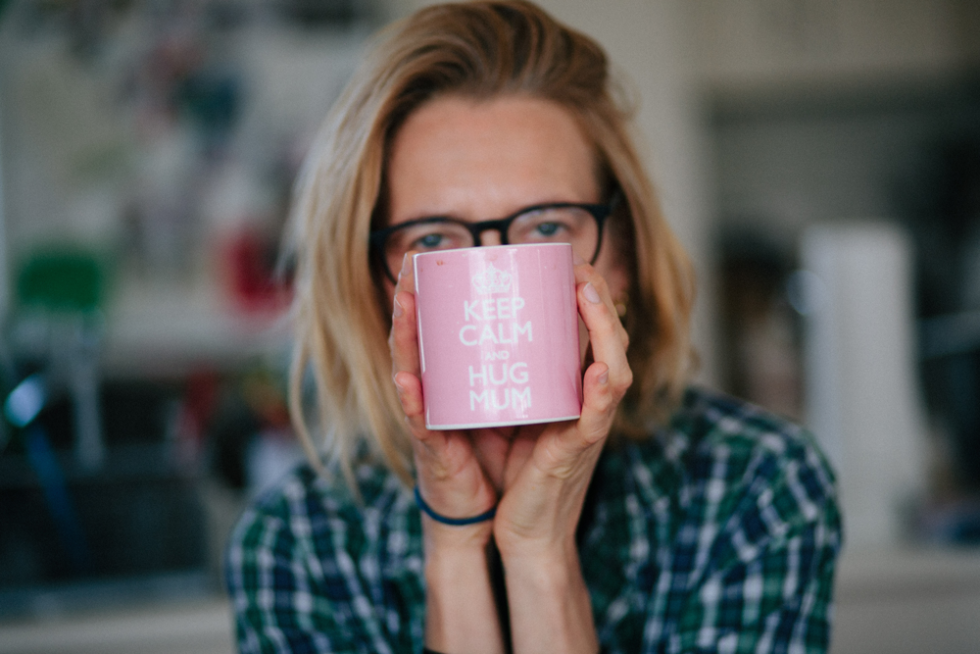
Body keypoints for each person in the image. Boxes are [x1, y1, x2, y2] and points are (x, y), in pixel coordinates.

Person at [224, 2, 842, 653]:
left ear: (623, 262)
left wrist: (541, 555)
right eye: (433, 237)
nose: (494, 276)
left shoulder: (754, 488)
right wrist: (454, 551)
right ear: (372, 288)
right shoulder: (298, 544)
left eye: (547, 227)